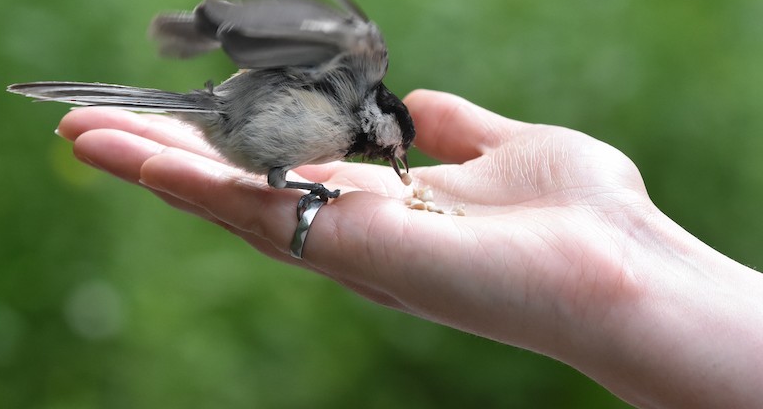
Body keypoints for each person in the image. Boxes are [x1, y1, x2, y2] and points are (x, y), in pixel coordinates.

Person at [55, 89, 763, 409]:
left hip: (251, 132)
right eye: (399, 147)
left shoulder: (347, 132)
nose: (400, 160)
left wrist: (616, 273)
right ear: (382, 117)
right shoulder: (344, 91)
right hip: (236, 116)